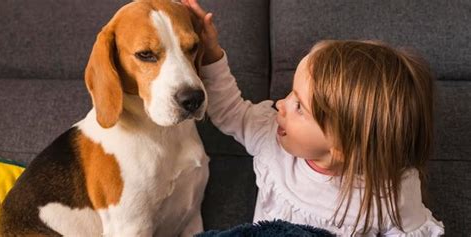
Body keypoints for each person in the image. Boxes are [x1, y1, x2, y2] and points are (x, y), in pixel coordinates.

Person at [182, 0, 445, 235]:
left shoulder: (392, 194)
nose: (281, 105)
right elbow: (230, 111)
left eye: (299, 106)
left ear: (340, 146)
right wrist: (211, 53)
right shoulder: (271, 138)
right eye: (290, 94)